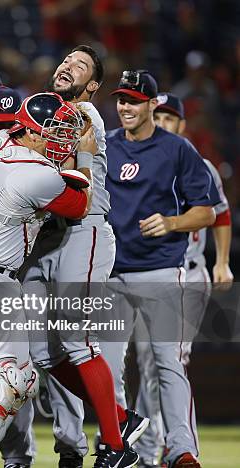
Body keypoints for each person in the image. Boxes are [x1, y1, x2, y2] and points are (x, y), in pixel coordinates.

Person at [0, 92, 105, 468]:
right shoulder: (37, 172)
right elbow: (82, 204)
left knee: (23, 378)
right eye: (54, 131)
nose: (60, 139)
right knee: (1, 379)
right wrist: (87, 157)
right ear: (30, 132)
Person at [105, 71, 221, 468]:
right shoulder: (106, 146)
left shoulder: (178, 149)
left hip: (159, 270)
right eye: (122, 99)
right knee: (107, 367)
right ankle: (118, 447)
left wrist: (172, 222)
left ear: (152, 105)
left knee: (168, 364)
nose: (125, 107)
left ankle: (181, 450)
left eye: (134, 100)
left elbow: (206, 213)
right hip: (112, 273)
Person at [19, 44, 127, 468]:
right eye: (66, 59)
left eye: (80, 66)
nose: (67, 65)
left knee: (77, 339)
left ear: (93, 85)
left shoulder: (84, 115)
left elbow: (62, 165)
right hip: (49, 236)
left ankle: (116, 445)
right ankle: (120, 419)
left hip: (85, 230)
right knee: (40, 350)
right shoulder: (50, 111)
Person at [132, 92, 232, 468]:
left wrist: (222, 261)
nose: (164, 123)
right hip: (150, 276)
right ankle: (149, 447)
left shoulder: (197, 163)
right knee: (149, 364)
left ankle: (175, 449)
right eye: (159, 116)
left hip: (188, 275)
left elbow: (220, 215)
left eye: (171, 118)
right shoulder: (137, 161)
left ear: (183, 125)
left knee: (170, 359)